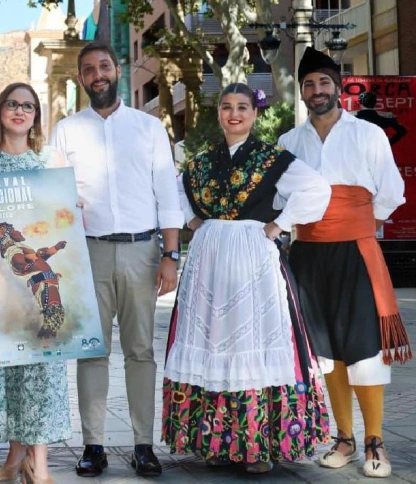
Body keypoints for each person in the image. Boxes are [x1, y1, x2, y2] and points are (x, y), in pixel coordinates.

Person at [162, 82, 332, 474]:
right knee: (211, 339)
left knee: (253, 337)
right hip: (209, 259)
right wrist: (192, 221)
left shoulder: (273, 158)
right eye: (226, 107)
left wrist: (280, 224)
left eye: (242, 107)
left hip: (253, 257)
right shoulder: (201, 161)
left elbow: (316, 189)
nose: (234, 114)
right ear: (218, 113)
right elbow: (177, 192)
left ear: (255, 115)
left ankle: (259, 445)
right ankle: (216, 441)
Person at [52, 40, 182, 478]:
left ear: (118, 70)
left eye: (104, 66)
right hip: (88, 252)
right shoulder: (67, 130)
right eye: (88, 69)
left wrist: (171, 254)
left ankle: (144, 445)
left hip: (144, 252)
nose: (98, 74)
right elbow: (54, 196)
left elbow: (167, 194)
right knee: (92, 350)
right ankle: (93, 445)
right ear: (81, 78)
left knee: (141, 350)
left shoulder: (148, 128)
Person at [279, 47, 411, 479]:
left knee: (364, 349)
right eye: (309, 85)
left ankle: (375, 441)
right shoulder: (288, 142)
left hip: (356, 252)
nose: (317, 91)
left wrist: (354, 223)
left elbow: (391, 192)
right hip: (307, 255)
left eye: (323, 83)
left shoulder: (367, 134)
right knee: (326, 353)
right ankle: (344, 437)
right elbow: (281, 201)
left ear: (337, 87)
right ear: (302, 93)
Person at [0, 83, 72, 484]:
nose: (20, 111)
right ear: (0, 110)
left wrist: (72, 216)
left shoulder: (50, 157)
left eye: (28, 106)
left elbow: (62, 213)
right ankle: (14, 456)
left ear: (36, 115)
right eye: (12, 104)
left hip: (38, 282)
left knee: (43, 366)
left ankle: (38, 465)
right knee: (10, 366)